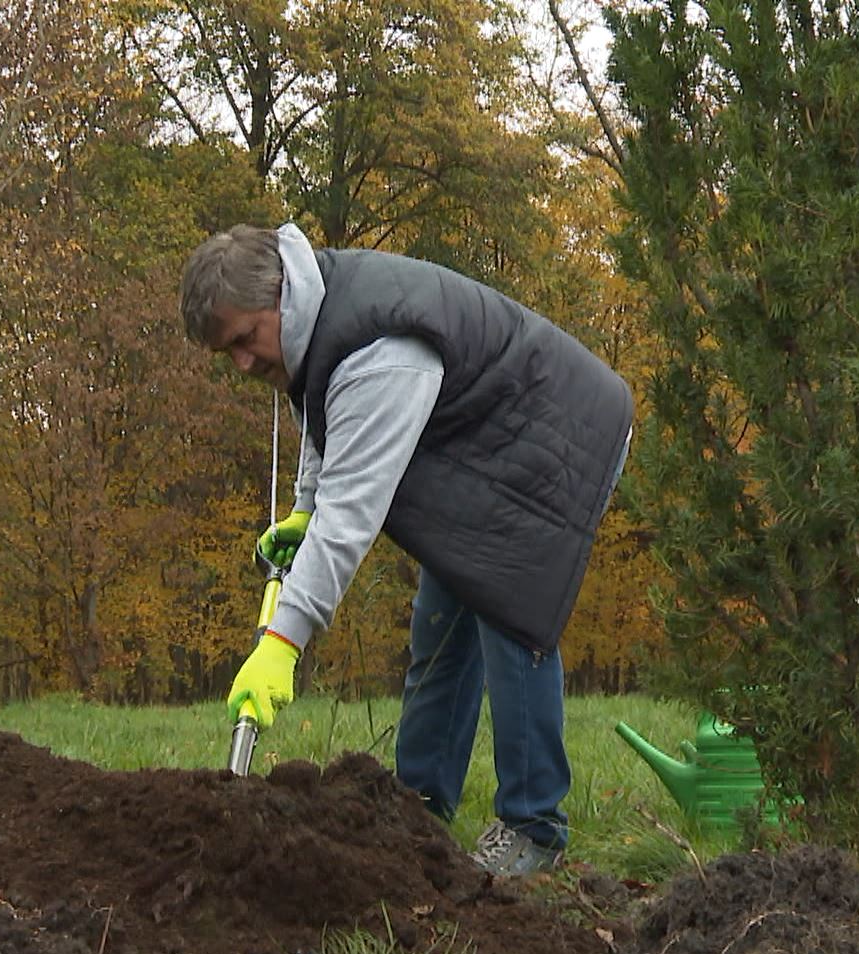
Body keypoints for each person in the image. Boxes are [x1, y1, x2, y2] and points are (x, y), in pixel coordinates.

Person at [180, 223, 633, 877]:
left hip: (558, 437)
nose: (243, 363)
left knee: (511, 614)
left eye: (246, 339)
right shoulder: (317, 319)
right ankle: (419, 810)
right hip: (489, 445)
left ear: (281, 295)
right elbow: (321, 415)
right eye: (229, 352)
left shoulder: (381, 352)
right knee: (441, 624)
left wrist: (281, 644)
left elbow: (351, 517)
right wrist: (303, 509)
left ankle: (534, 826)